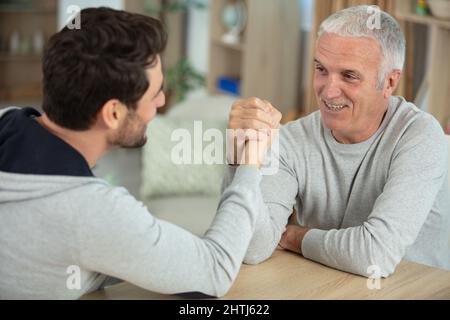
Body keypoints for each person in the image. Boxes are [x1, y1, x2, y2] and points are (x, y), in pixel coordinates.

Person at [0, 7, 281, 299]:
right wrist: (250, 163)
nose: (161, 101)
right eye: (154, 93)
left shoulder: (6, 119)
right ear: (113, 112)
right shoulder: (93, 210)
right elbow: (215, 271)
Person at [225, 5, 450, 277]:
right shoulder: (291, 140)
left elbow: (374, 255)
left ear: (389, 82)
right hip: (333, 286)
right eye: (321, 69)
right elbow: (251, 248)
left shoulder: (419, 136)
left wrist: (296, 237)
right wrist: (239, 159)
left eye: (349, 76)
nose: (328, 91)